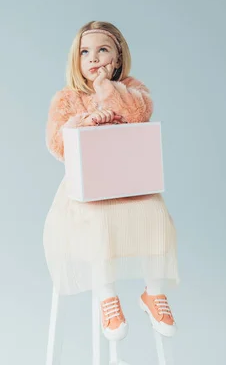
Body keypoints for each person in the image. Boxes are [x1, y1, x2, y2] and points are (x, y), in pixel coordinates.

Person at [43, 21, 180, 341]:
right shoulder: (67, 99)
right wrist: (85, 122)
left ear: (118, 57)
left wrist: (109, 91)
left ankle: (154, 292)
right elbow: (57, 145)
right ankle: (107, 296)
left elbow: (139, 115)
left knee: (156, 215)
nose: (94, 58)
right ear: (76, 61)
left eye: (103, 50)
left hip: (129, 183)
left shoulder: (133, 88)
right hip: (88, 189)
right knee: (99, 221)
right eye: (85, 52)